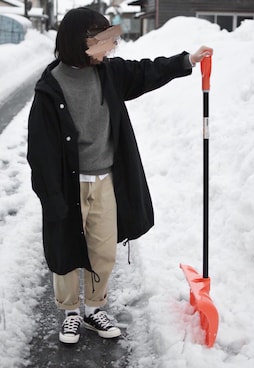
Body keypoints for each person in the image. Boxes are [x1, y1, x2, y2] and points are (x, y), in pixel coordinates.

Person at [27, 7, 213, 344]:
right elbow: (40, 153)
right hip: (69, 185)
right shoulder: (50, 88)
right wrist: (50, 198)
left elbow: (146, 71)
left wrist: (186, 60)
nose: (109, 48)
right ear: (77, 42)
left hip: (105, 181)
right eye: (102, 40)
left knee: (103, 250)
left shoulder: (110, 74)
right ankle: (70, 312)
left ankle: (94, 308)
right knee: (66, 250)